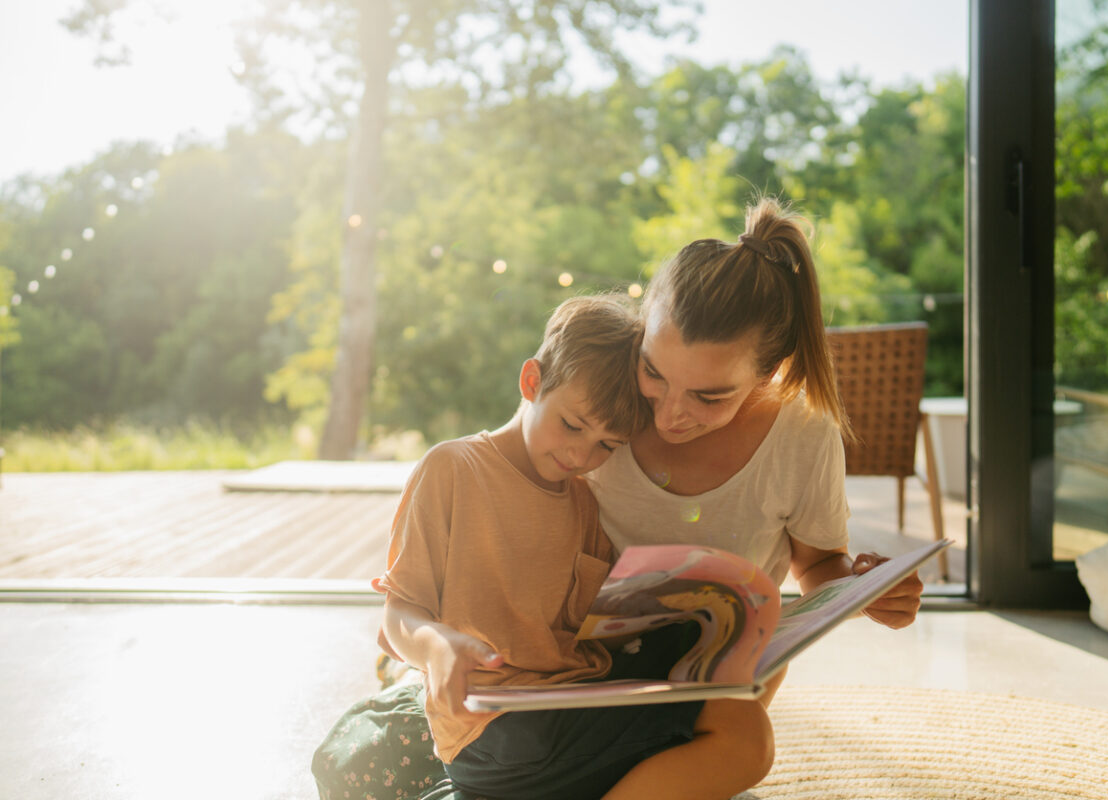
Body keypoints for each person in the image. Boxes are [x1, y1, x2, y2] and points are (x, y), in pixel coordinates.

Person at [315, 295, 773, 800]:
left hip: (575, 700)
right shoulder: (452, 469)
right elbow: (399, 613)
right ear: (532, 382)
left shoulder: (582, 500)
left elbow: (588, 632)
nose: (581, 454)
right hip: (495, 727)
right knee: (744, 741)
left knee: (740, 722)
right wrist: (438, 649)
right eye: (572, 425)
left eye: (606, 446)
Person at [586, 196, 924, 664]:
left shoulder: (802, 432)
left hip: (723, 667)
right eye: (653, 373)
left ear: (769, 375)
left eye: (709, 397)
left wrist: (867, 592)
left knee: (736, 738)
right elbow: (506, 480)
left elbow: (818, 562)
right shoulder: (592, 390)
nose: (668, 417)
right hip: (584, 660)